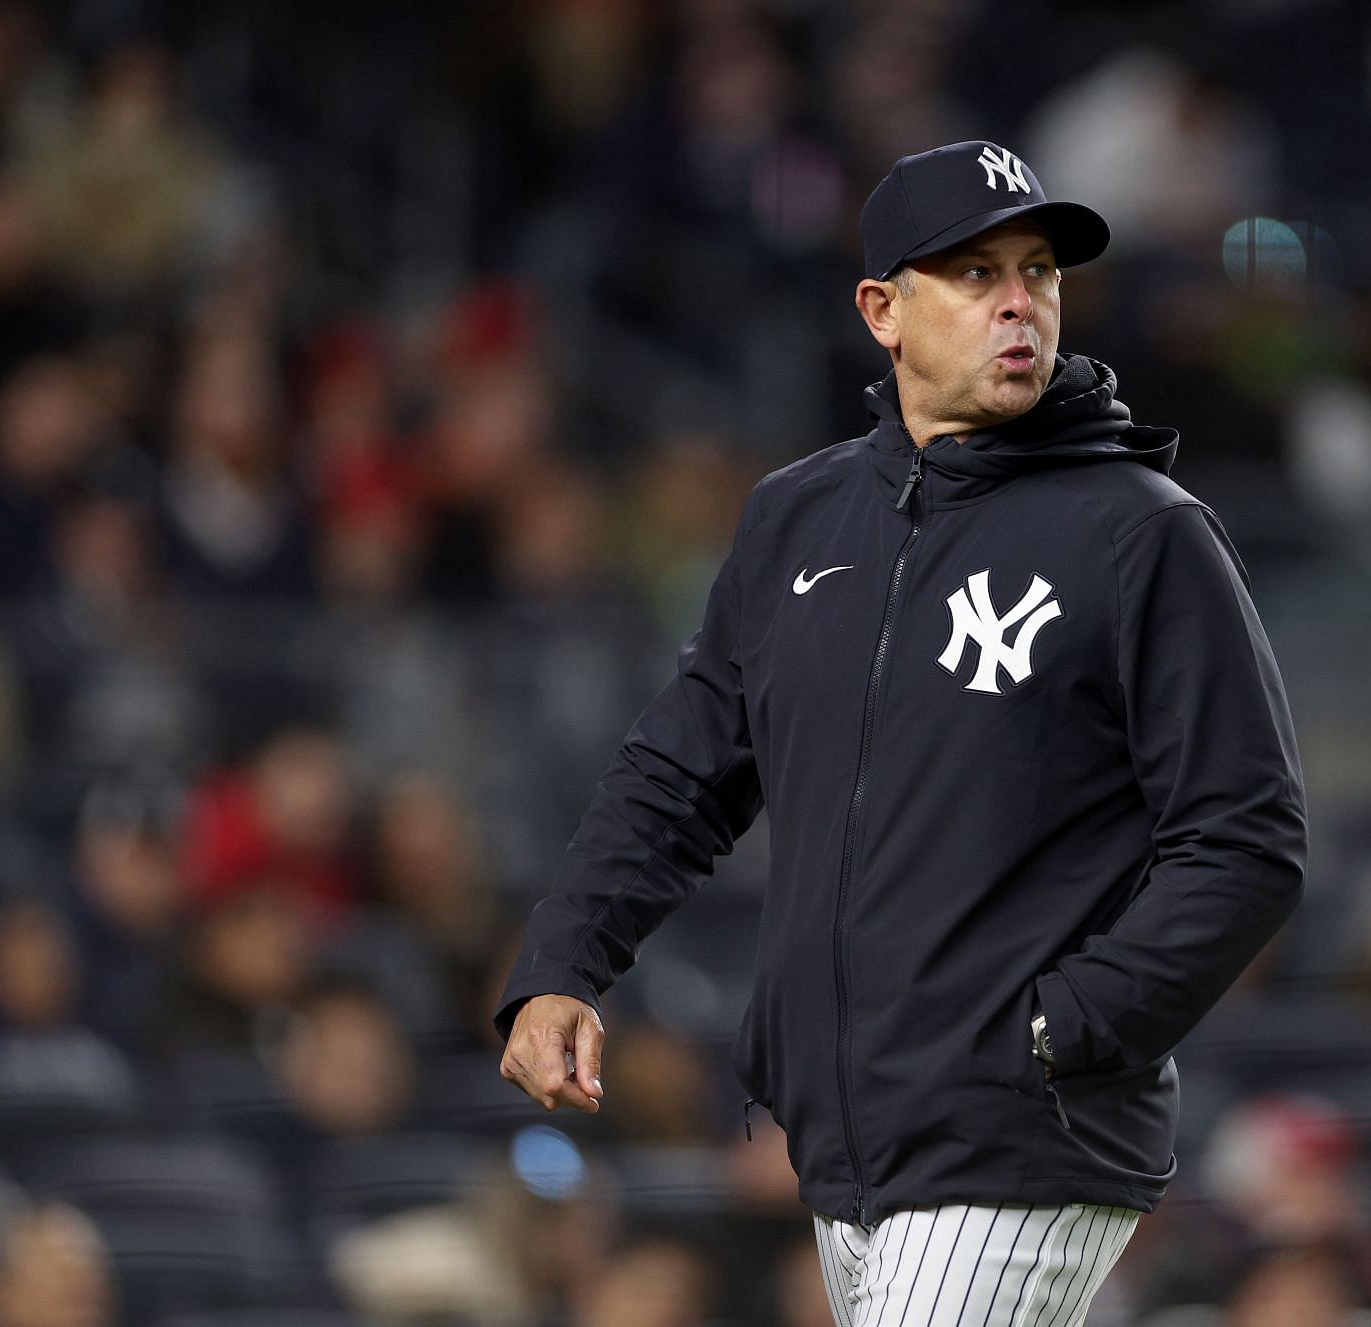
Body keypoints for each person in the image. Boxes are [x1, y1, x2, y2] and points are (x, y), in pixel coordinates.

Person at [494, 140, 1307, 1325]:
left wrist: (1059, 1027)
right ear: (883, 308)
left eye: (1038, 270)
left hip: (1020, 1136)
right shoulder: (798, 516)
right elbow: (681, 770)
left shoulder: (1139, 532)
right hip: (844, 1141)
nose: (1019, 301)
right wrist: (564, 962)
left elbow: (1246, 839)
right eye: (975, 274)